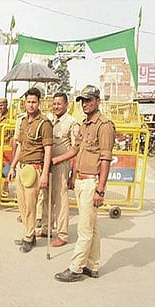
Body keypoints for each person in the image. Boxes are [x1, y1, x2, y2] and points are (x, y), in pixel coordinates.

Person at [55, 85, 115, 282]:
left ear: (98, 101)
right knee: (93, 226)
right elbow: (75, 150)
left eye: (89, 100)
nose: (85, 104)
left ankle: (76, 268)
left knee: (84, 228)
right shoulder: (84, 124)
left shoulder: (104, 126)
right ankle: (92, 265)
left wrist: (100, 190)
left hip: (92, 183)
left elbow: (105, 159)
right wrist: (56, 160)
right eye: (82, 100)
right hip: (81, 180)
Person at [7, 87, 53, 253]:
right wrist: (12, 166)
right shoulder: (24, 121)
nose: (31, 105)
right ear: (24, 103)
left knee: (32, 206)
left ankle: (28, 237)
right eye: (28, 102)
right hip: (22, 169)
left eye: (34, 102)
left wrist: (45, 175)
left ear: (39, 103)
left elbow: (48, 150)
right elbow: (20, 146)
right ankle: (29, 233)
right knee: (23, 205)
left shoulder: (44, 123)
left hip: (34, 169)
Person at [38, 92, 80, 247]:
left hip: (60, 166)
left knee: (61, 200)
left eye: (59, 104)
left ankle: (62, 234)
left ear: (66, 105)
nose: (56, 106)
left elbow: (76, 150)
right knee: (46, 197)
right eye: (54, 103)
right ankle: (46, 228)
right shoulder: (48, 120)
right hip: (46, 165)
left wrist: (72, 174)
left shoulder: (72, 123)